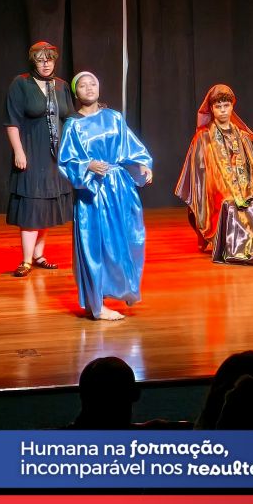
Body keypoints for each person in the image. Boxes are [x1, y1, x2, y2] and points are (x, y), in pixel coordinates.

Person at [57, 71, 153, 321]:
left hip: (119, 188)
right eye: (83, 85)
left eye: (93, 83)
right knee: (95, 246)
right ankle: (96, 305)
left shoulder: (113, 117)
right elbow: (66, 160)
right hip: (93, 193)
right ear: (76, 93)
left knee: (127, 240)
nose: (89, 88)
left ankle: (124, 288)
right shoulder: (73, 125)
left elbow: (130, 146)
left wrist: (143, 164)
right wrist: (87, 165)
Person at [174, 84, 253, 266]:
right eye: (218, 106)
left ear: (232, 106)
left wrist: (247, 188)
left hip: (244, 185)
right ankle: (236, 249)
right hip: (216, 188)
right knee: (229, 202)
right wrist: (223, 186)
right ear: (211, 109)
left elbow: (252, 168)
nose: (222, 110)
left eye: (226, 106)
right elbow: (200, 173)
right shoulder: (203, 137)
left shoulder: (242, 135)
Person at [4, 41, 77, 278]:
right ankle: (26, 260)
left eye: (49, 59)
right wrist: (18, 151)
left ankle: (39, 255)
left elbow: (70, 118)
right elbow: (12, 121)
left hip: (56, 156)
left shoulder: (61, 85)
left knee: (47, 205)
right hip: (32, 153)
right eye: (40, 60)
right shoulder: (21, 83)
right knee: (32, 205)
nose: (45, 64)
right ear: (33, 61)